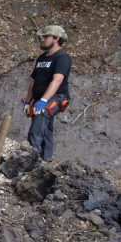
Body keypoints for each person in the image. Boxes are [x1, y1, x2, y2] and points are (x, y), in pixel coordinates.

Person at [22, 25, 71, 161]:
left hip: (57, 97)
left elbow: (57, 80)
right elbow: (33, 81)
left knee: (39, 120)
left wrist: (43, 101)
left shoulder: (62, 57)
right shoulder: (42, 58)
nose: (42, 39)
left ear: (56, 39)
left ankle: (32, 161)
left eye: (45, 37)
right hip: (40, 99)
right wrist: (27, 102)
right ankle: (45, 160)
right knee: (45, 128)